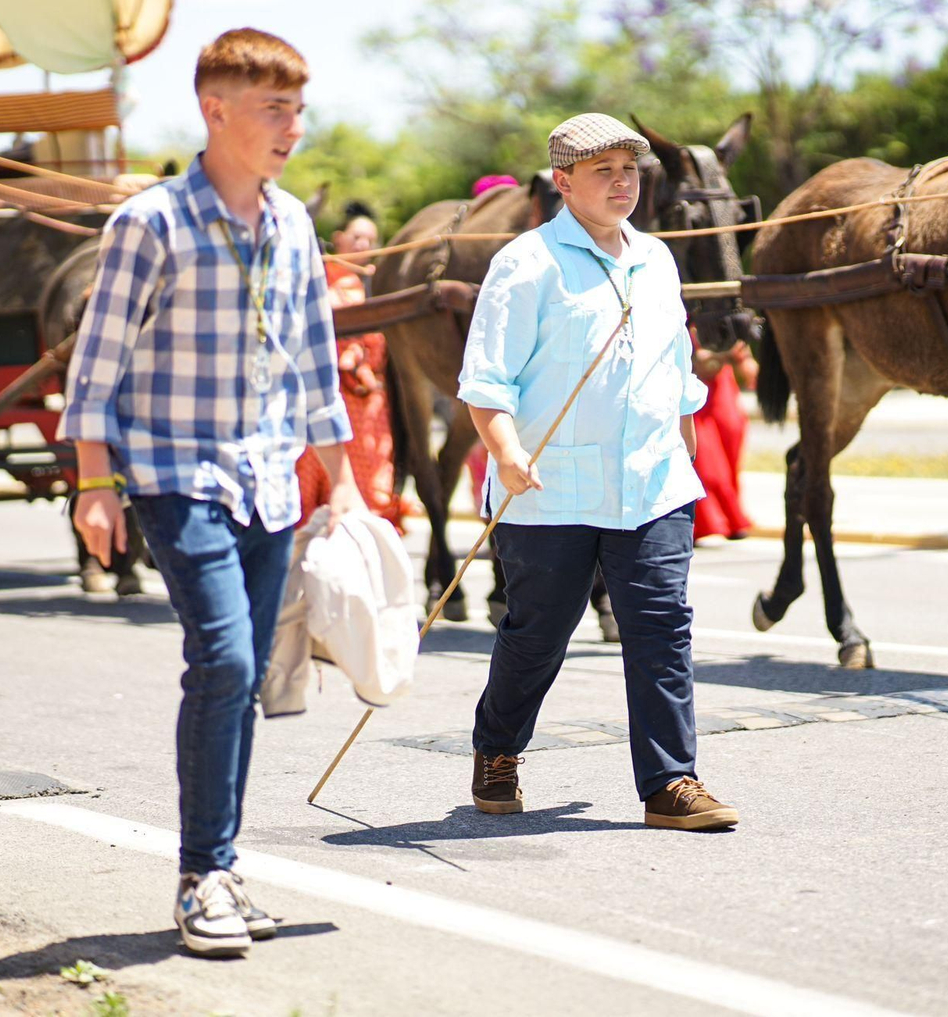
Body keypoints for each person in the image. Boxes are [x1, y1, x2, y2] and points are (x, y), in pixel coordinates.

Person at [62, 28, 363, 957]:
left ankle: (221, 868)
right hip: (173, 472)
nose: (292, 127)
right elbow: (96, 364)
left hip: (271, 477)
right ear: (215, 109)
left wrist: (342, 487)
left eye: (298, 109)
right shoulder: (149, 222)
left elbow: (315, 362)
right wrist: (95, 485)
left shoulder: (295, 224)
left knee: (249, 681)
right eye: (274, 109)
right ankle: (202, 874)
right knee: (226, 661)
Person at [458, 113, 739, 831]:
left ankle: (670, 781)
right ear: (563, 182)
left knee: (661, 628)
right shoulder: (525, 264)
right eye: (604, 170)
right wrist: (507, 453)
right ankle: (498, 747)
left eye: (631, 168)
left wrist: (686, 453)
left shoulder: (658, 260)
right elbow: (486, 384)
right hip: (550, 492)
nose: (623, 182)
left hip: (651, 486)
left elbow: (675, 373)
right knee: (537, 637)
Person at [294, 203, 405, 529]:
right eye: (356, 237)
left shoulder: (378, 283)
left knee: (370, 482)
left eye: (370, 239)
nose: (363, 245)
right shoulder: (320, 278)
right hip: (326, 393)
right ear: (338, 238)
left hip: (367, 400)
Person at [690, 341, 756, 542]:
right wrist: (724, 356)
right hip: (699, 400)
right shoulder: (686, 323)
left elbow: (749, 370)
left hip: (723, 395)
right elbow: (699, 366)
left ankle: (732, 520)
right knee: (709, 467)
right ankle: (706, 524)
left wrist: (740, 359)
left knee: (730, 459)